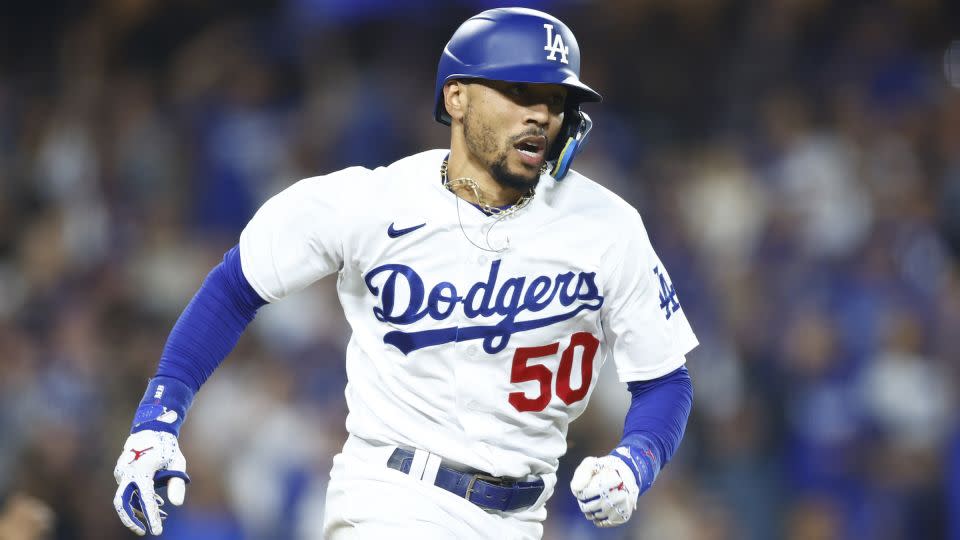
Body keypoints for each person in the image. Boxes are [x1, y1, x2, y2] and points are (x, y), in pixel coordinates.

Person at [111, 7, 697, 539]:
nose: (541, 113)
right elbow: (234, 288)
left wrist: (633, 463)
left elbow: (665, 380)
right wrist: (156, 421)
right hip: (391, 499)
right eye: (520, 91)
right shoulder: (372, 202)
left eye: (555, 99)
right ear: (457, 97)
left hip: (522, 519)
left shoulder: (608, 227)